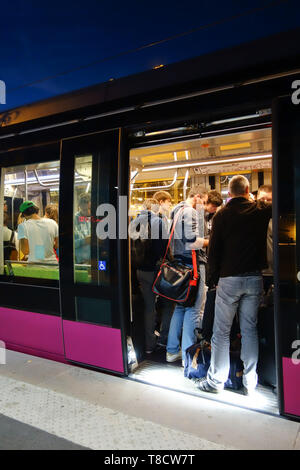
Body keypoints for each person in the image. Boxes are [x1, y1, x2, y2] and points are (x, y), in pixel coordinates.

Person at [197, 175, 272, 395]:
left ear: (228, 194)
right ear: (248, 189)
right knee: (249, 331)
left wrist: (213, 281)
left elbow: (214, 251)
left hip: (229, 279)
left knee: (221, 332)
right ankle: (250, 383)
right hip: (254, 278)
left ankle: (216, 381)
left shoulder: (221, 216)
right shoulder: (259, 210)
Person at [166, 186, 208, 365]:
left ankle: (172, 350)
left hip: (180, 266)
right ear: (197, 197)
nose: (204, 206)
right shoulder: (190, 211)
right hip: (193, 267)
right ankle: (187, 356)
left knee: (180, 309)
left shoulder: (177, 209)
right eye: (204, 202)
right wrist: (209, 241)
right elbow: (192, 241)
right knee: (193, 310)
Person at [129, 198, 168, 354]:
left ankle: (148, 343)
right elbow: (163, 248)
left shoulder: (133, 223)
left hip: (139, 270)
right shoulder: (158, 222)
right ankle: (162, 340)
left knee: (148, 307)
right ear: (155, 208)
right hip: (156, 270)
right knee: (167, 305)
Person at [257, 184, 273, 290]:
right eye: (262, 199)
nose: (265, 202)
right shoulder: (250, 218)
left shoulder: (279, 219)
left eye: (269, 199)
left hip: (275, 271)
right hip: (255, 272)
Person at [74, 194, 91, 264]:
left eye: (89, 209)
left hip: (95, 259)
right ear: (79, 206)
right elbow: (70, 244)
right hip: (81, 261)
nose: (87, 212)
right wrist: (84, 241)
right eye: (84, 210)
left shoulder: (97, 217)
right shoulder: (74, 219)